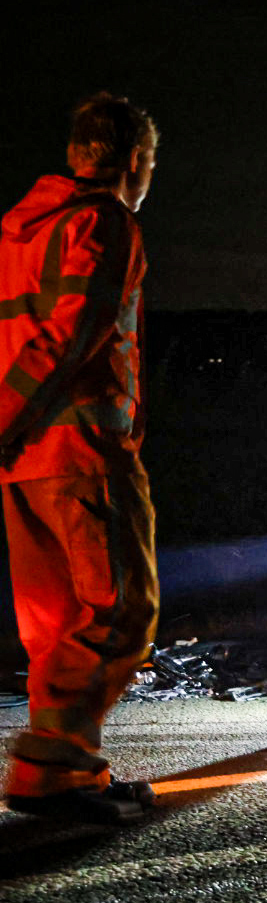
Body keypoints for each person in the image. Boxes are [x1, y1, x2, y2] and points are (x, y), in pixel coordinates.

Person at [1, 93, 161, 824]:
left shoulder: (19, 233)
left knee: (53, 618)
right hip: (82, 448)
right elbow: (73, 335)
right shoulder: (107, 223)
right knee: (122, 607)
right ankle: (49, 768)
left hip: (22, 459)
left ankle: (68, 772)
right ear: (135, 161)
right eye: (150, 162)